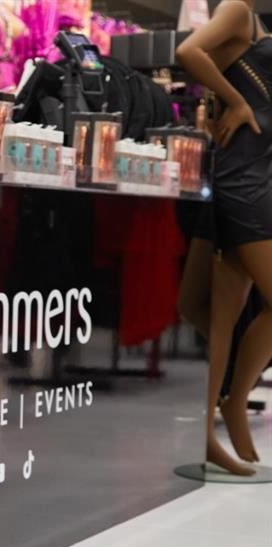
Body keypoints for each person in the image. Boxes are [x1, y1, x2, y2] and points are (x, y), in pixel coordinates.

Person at [177, 0, 272, 476]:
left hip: (251, 175)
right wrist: (235, 101)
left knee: (222, 314)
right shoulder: (238, 10)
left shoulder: (252, 20)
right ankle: (233, 400)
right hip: (243, 184)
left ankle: (212, 426)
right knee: (215, 311)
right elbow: (188, 52)